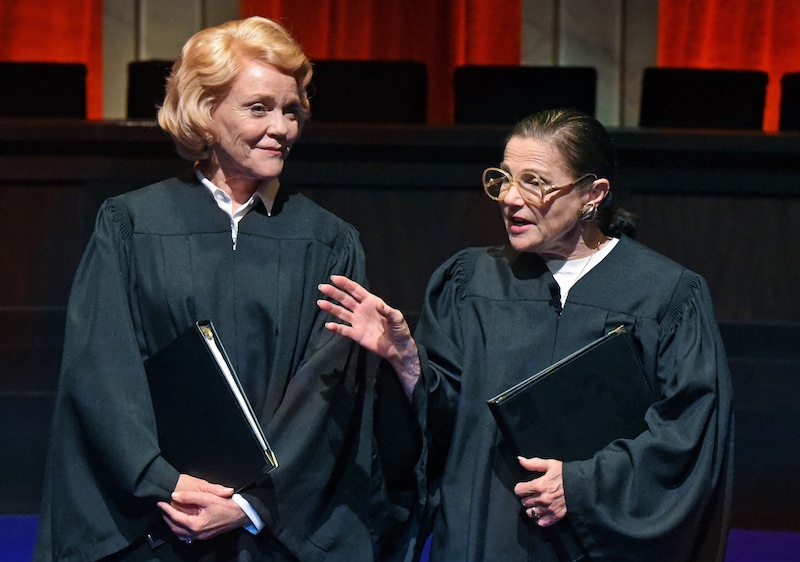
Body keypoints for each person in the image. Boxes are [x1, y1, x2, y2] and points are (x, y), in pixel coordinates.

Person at [34, 17, 420, 561]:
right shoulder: (131, 225)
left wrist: (251, 505)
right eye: (259, 107)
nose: (282, 127)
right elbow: (100, 368)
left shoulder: (328, 240)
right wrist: (159, 478)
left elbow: (327, 391)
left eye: (291, 110)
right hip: (156, 518)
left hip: (273, 526)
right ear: (205, 111)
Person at [318, 108, 734, 561]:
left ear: (592, 195)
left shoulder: (664, 295)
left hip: (597, 541)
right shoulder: (469, 283)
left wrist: (581, 485)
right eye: (503, 178)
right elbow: (445, 424)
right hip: (483, 537)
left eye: (534, 182)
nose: (510, 199)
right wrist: (407, 361)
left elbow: (687, 434)